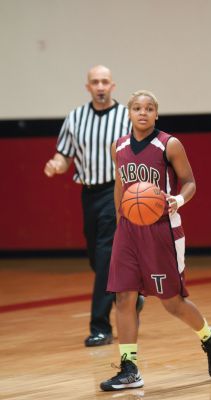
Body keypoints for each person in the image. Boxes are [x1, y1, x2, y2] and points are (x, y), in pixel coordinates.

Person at [100, 90, 211, 391]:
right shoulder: (117, 146)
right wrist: (120, 221)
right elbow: (121, 185)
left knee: (172, 303)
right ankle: (129, 368)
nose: (142, 113)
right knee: (123, 297)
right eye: (136, 108)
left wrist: (178, 199)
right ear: (128, 113)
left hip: (162, 230)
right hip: (129, 231)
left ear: (156, 114)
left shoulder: (168, 144)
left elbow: (190, 181)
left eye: (149, 108)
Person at [44, 65, 144, 347]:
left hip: (117, 193)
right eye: (94, 82)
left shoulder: (127, 117)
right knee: (95, 258)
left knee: (104, 258)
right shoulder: (75, 118)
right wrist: (56, 164)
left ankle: (100, 326)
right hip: (88, 195)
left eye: (104, 82)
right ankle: (132, 296)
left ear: (113, 86)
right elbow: (64, 156)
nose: (100, 86)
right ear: (87, 87)